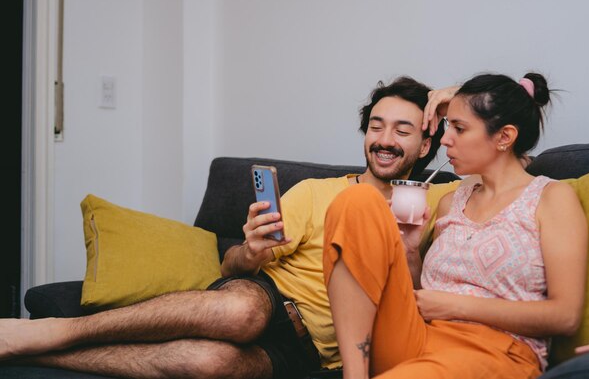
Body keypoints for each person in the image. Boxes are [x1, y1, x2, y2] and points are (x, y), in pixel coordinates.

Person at [0, 76, 447, 379]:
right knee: (241, 313)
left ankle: (34, 351)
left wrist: (451, 97)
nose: (384, 140)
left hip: (312, 350)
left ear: (428, 141)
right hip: (266, 298)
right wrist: (249, 251)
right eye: (376, 126)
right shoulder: (316, 191)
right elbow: (231, 263)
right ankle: (54, 330)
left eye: (403, 130)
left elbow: (512, 157)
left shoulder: (442, 200)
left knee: (209, 364)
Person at [323, 72, 589, 379]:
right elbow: (426, 297)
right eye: (449, 127)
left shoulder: (551, 198)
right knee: (357, 199)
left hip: (492, 351)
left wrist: (456, 306)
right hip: (417, 337)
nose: (445, 139)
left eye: (459, 128)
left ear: (504, 137)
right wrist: (409, 251)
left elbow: (565, 316)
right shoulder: (452, 201)